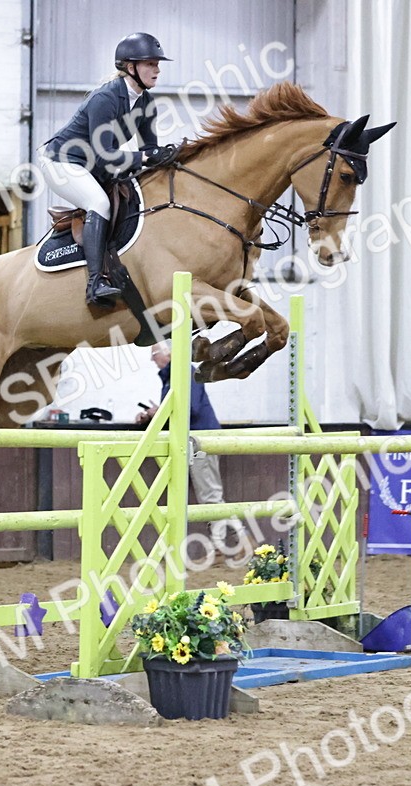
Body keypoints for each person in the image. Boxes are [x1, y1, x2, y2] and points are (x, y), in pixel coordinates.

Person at [38, 32, 180, 308]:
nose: (157, 69)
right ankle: (95, 283)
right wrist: (148, 155)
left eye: (157, 64)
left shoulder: (146, 103)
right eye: (150, 63)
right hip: (62, 162)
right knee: (99, 202)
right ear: (131, 67)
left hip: (94, 165)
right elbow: (106, 156)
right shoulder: (105, 98)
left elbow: (148, 150)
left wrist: (167, 157)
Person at [136, 341, 247, 550]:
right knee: (211, 493)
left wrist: (158, 412)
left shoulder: (182, 374)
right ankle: (235, 537)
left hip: (199, 440)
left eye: (154, 354)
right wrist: (155, 415)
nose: (153, 359)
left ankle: (225, 543)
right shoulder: (179, 374)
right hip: (199, 438)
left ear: (168, 354)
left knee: (210, 494)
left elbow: (188, 410)